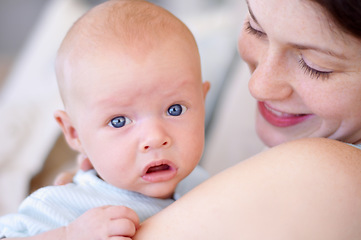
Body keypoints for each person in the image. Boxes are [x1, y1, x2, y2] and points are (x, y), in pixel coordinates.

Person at [0, 0, 210, 239]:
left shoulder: (206, 185)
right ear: (74, 133)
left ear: (201, 104)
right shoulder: (63, 206)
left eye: (175, 109)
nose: (155, 138)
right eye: (119, 121)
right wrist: (69, 235)